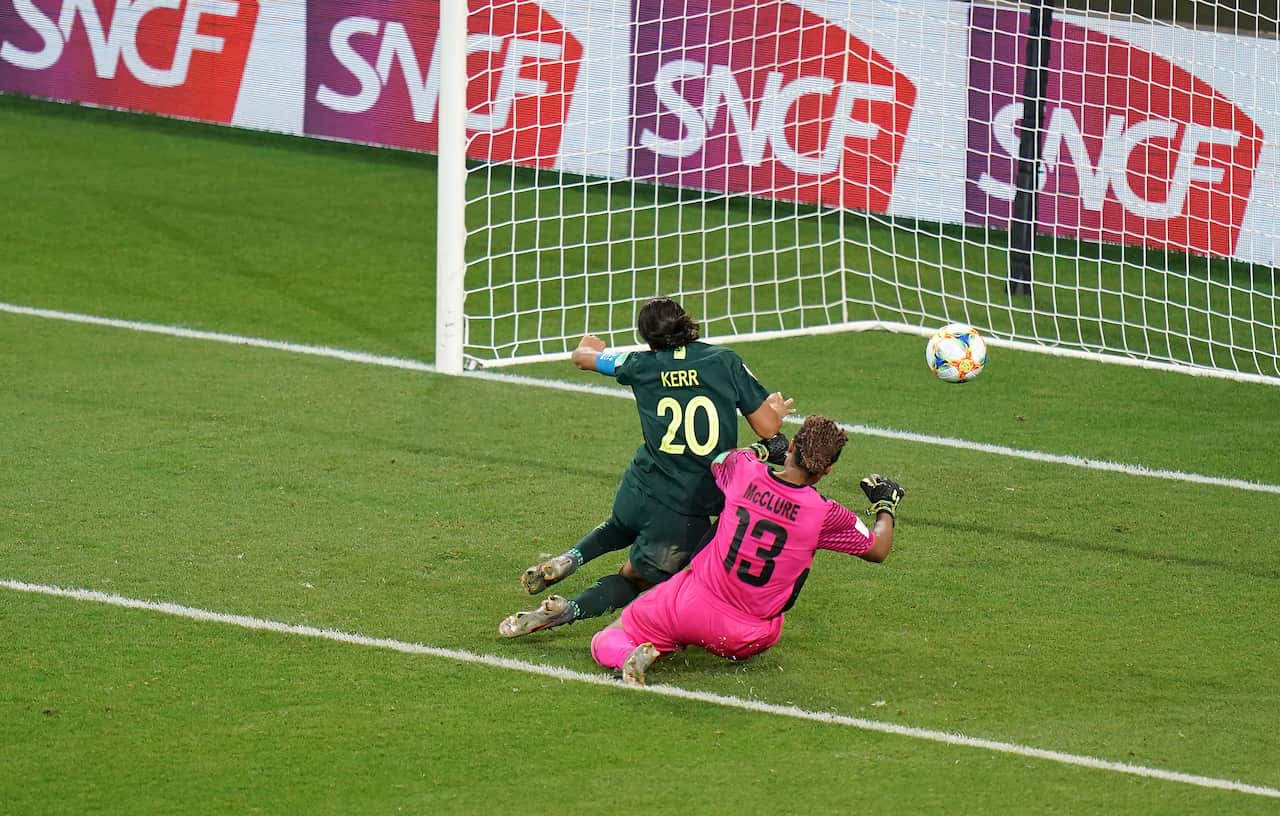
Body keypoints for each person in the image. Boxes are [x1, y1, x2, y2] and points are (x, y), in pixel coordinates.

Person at [499, 296, 794, 638]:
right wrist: (774, 408)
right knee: (632, 579)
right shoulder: (724, 361)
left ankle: (568, 559)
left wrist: (587, 346)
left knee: (617, 526)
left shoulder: (638, 363)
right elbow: (768, 429)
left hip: (640, 485)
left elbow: (583, 358)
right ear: (687, 321)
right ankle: (565, 610)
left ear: (647, 337)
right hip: (687, 508)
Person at [588, 414, 904, 684]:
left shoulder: (745, 471)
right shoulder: (825, 513)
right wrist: (885, 505)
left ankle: (631, 655)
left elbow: (721, 461)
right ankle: (676, 640)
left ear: (792, 446)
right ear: (827, 471)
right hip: (748, 636)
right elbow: (878, 548)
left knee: (607, 638)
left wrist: (762, 450)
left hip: (689, 607)